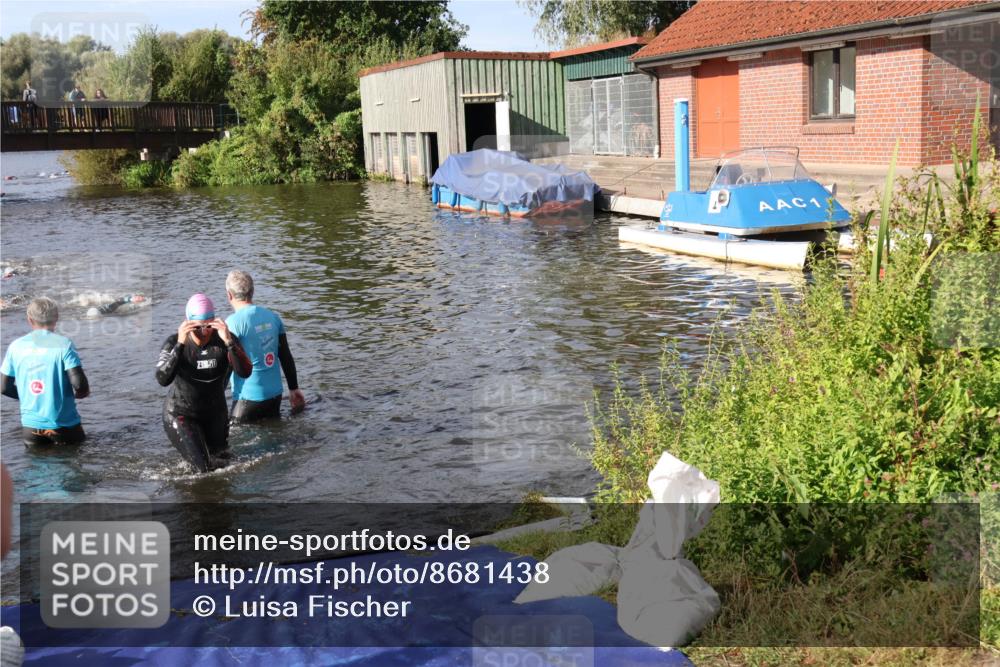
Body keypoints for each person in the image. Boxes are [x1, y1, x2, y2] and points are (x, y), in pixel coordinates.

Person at [156, 294, 251, 472]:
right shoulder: (173, 342)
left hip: (215, 414)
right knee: (203, 469)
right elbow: (162, 379)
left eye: (208, 325)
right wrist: (180, 345)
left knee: (223, 466)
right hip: (181, 414)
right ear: (188, 323)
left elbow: (245, 372)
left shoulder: (225, 340)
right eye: (198, 327)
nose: (204, 332)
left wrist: (229, 342)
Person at [0, 297, 89, 446]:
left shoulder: (15, 346)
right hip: (64, 426)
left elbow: (3, 387)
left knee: (36, 467)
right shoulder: (64, 345)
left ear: (29, 319)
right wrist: (82, 393)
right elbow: (79, 385)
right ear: (57, 318)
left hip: (31, 428)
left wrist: (26, 395)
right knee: (73, 465)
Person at [224, 270, 305, 423]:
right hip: (275, 396)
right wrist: (294, 388)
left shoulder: (232, 323)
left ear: (229, 295)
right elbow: (285, 355)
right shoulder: (273, 317)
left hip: (247, 398)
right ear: (252, 291)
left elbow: (227, 366)